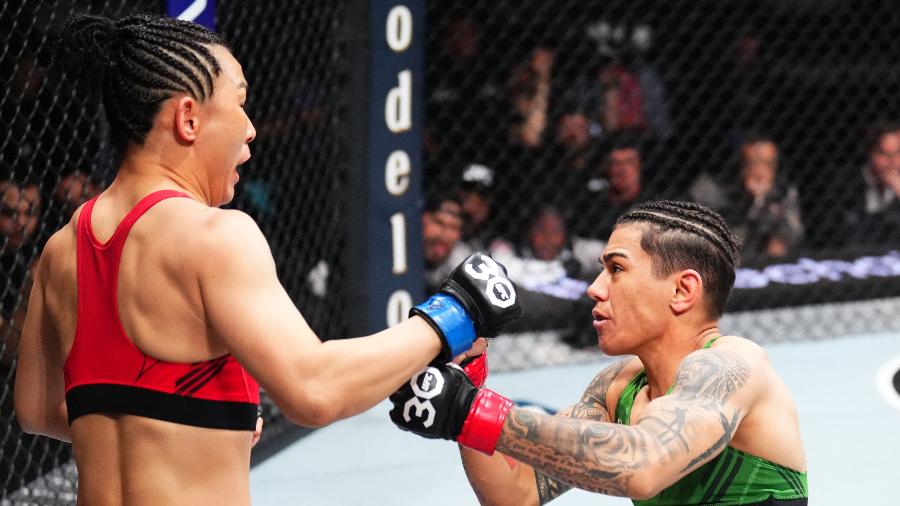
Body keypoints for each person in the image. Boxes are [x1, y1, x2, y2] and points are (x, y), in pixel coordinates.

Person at [13, 14, 521, 505]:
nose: (251, 129)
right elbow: (314, 388)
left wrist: (181, 421)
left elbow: (37, 410)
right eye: (240, 104)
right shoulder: (213, 236)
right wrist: (453, 315)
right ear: (188, 118)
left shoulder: (61, 248)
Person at [390, 200, 808, 505]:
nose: (595, 287)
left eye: (616, 269)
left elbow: (643, 466)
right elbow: (516, 494)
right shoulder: (619, 386)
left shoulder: (733, 365)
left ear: (683, 290)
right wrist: (470, 384)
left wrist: (470, 412)